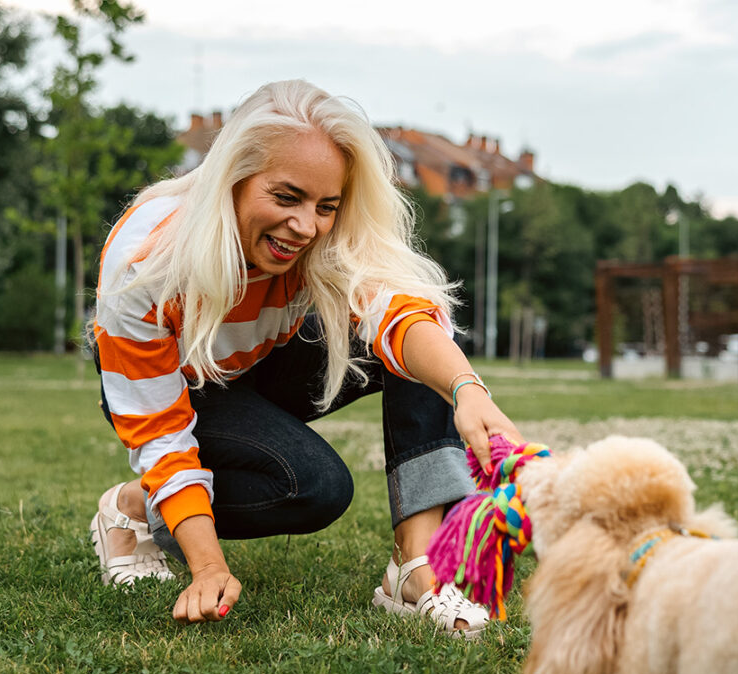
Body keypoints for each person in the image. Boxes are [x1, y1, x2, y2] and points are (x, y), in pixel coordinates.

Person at [87, 79, 523, 636]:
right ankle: (134, 508)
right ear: (234, 178)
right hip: (180, 386)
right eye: (286, 197)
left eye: (326, 206)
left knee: (421, 326)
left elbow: (397, 308)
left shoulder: (324, 238)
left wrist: (466, 389)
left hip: (260, 361)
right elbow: (161, 433)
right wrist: (207, 567)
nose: (305, 227)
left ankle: (415, 569)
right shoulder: (145, 261)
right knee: (315, 487)